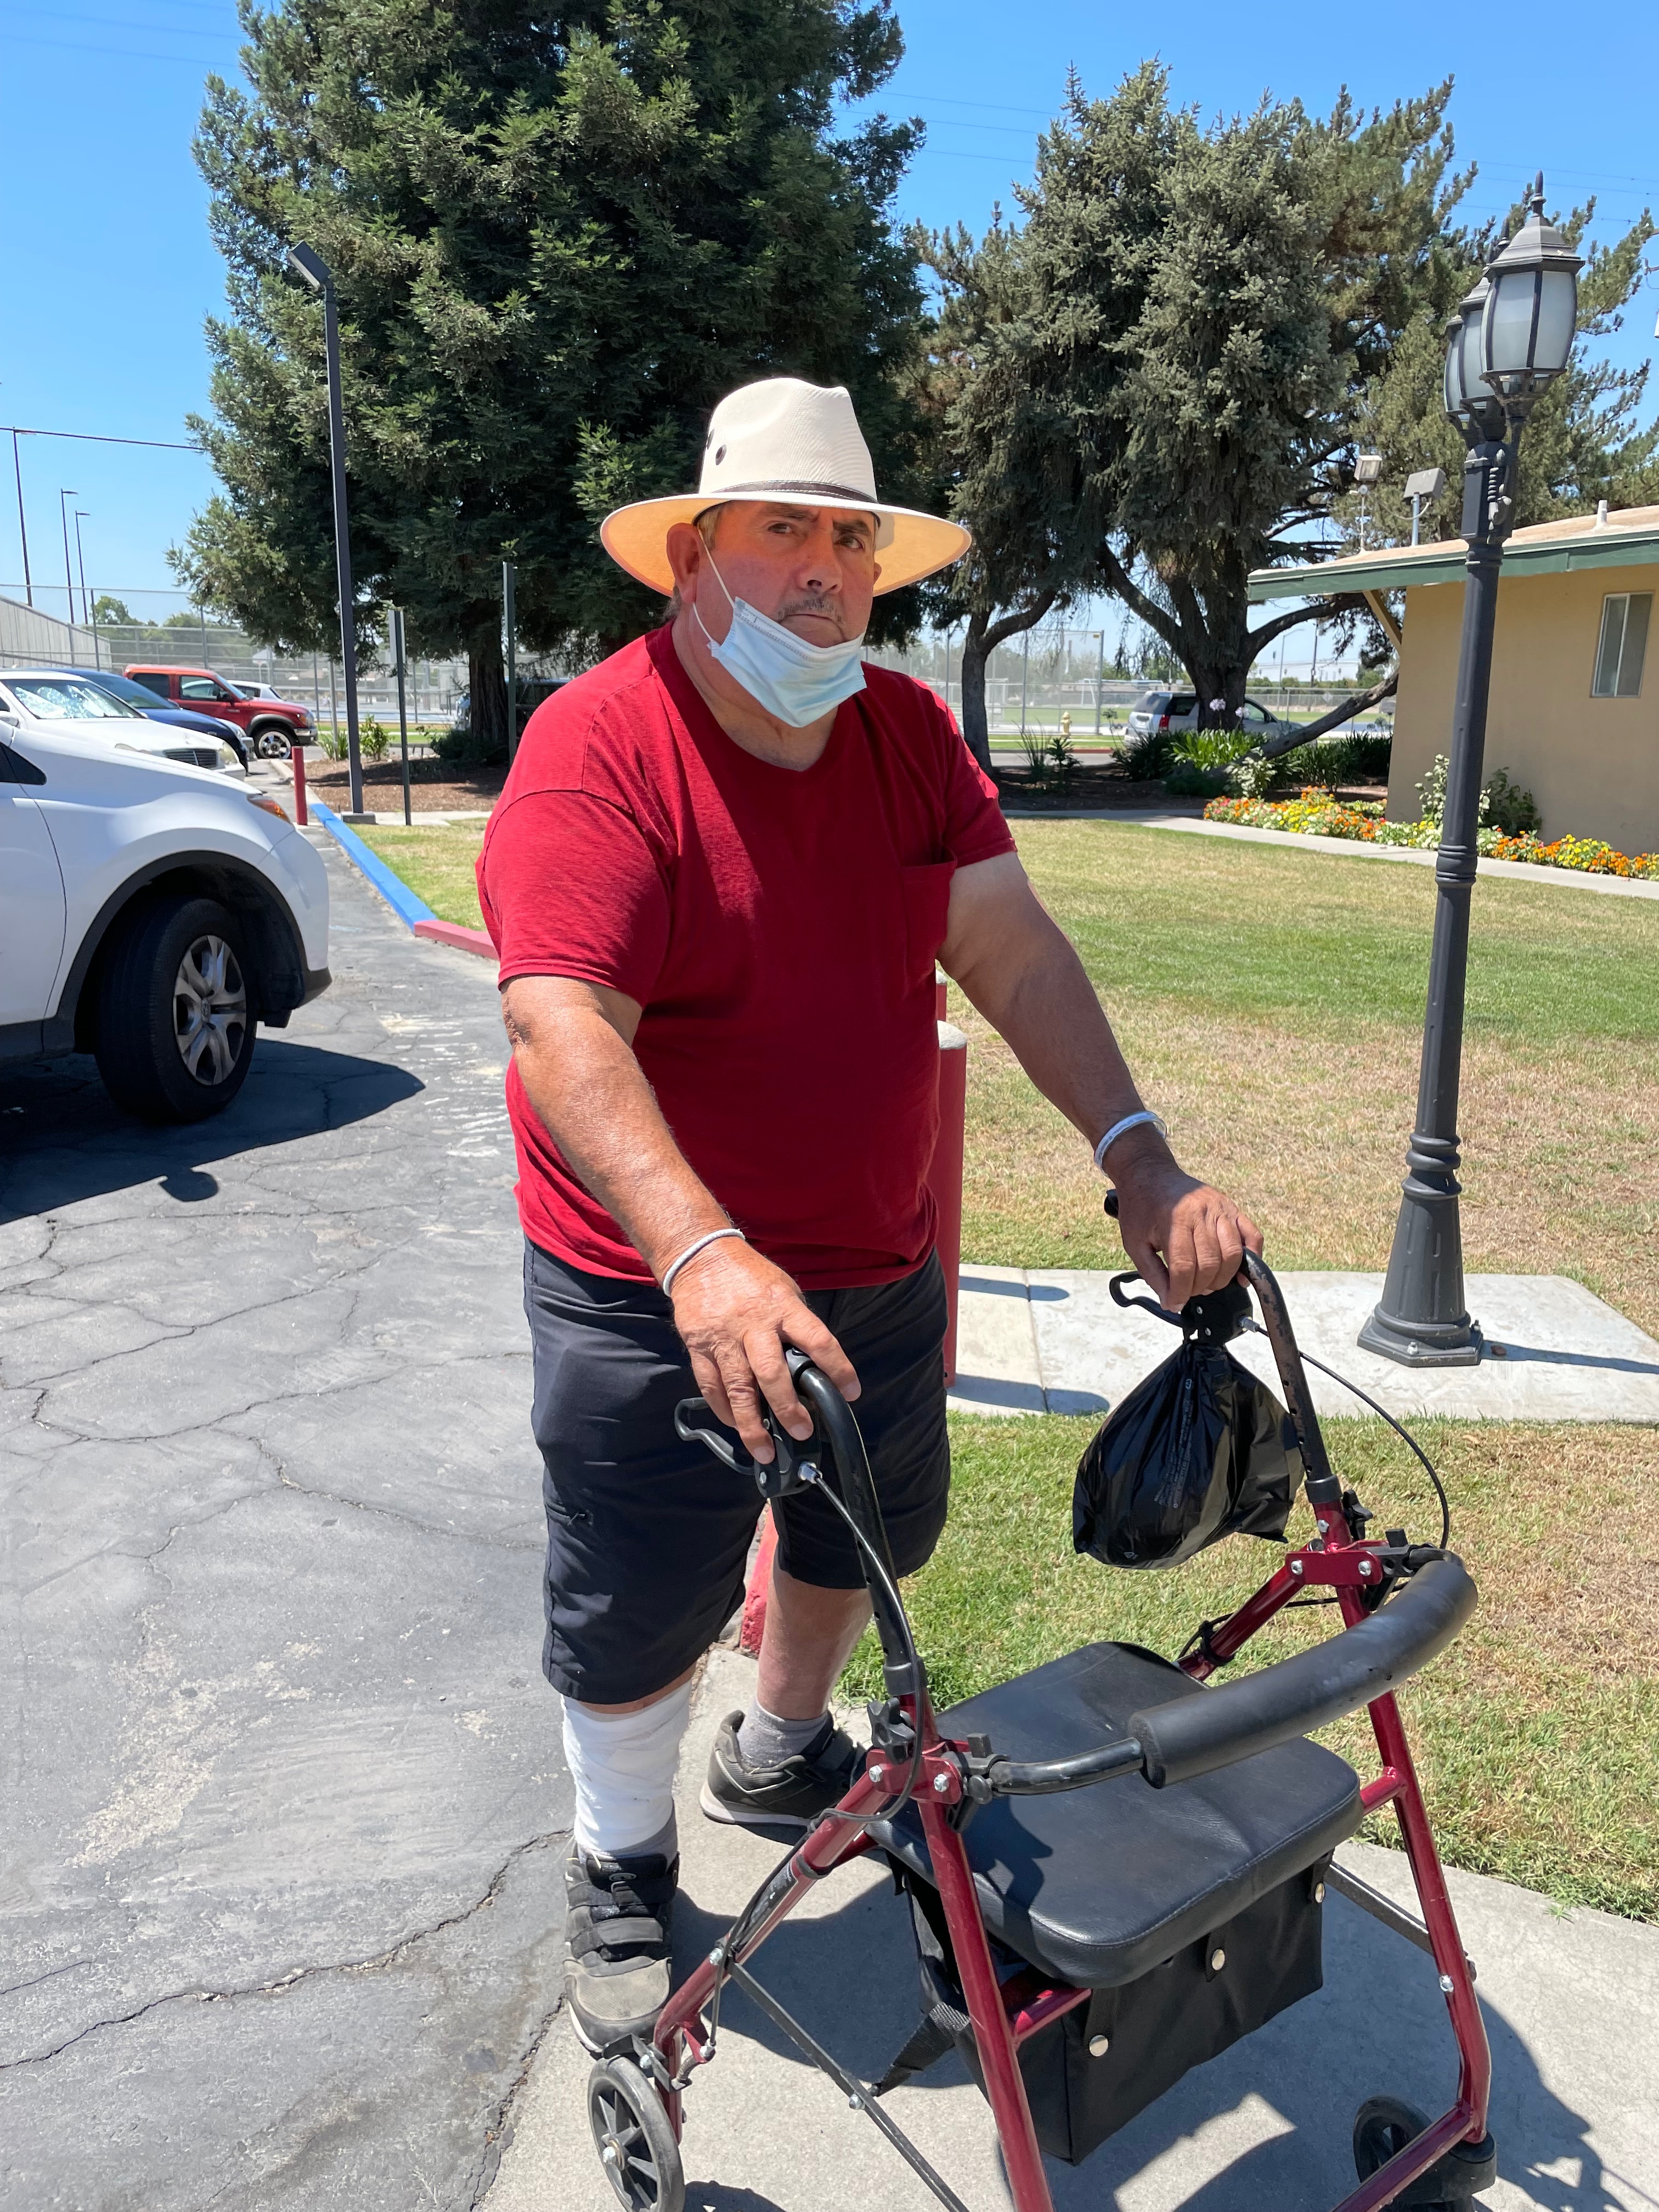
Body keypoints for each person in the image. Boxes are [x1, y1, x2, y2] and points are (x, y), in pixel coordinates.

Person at [476, 376, 1260, 2056]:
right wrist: (700, 1251)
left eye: (852, 539)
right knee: (638, 1594)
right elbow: (561, 1025)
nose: (827, 571)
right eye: (785, 531)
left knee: (868, 1535)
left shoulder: (907, 738)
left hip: (874, 1263)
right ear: (692, 558)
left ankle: (780, 1747)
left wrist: (1139, 1154)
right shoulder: (600, 750)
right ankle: (620, 1855)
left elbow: (1014, 952)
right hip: (651, 1285)